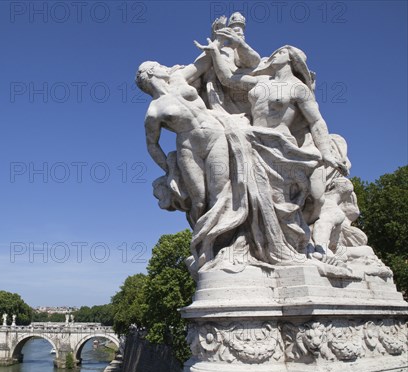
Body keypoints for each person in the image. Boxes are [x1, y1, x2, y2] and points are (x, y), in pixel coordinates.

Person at [191, 37, 349, 266]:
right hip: (253, 140)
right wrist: (215, 50)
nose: (275, 53)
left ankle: (298, 244)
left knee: (292, 200)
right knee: (254, 196)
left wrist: (326, 152)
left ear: (292, 59)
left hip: (281, 146)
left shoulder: (297, 88)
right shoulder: (260, 83)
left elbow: (316, 122)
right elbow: (228, 79)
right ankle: (255, 245)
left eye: (281, 51)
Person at [136, 60, 230, 227]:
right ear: (151, 73)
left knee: (219, 192)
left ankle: (222, 242)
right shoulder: (153, 111)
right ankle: (201, 243)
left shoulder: (179, 78)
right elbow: (152, 145)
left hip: (215, 135)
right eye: (159, 65)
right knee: (199, 200)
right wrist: (169, 168)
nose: (164, 67)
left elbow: (202, 64)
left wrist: (217, 43)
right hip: (189, 148)